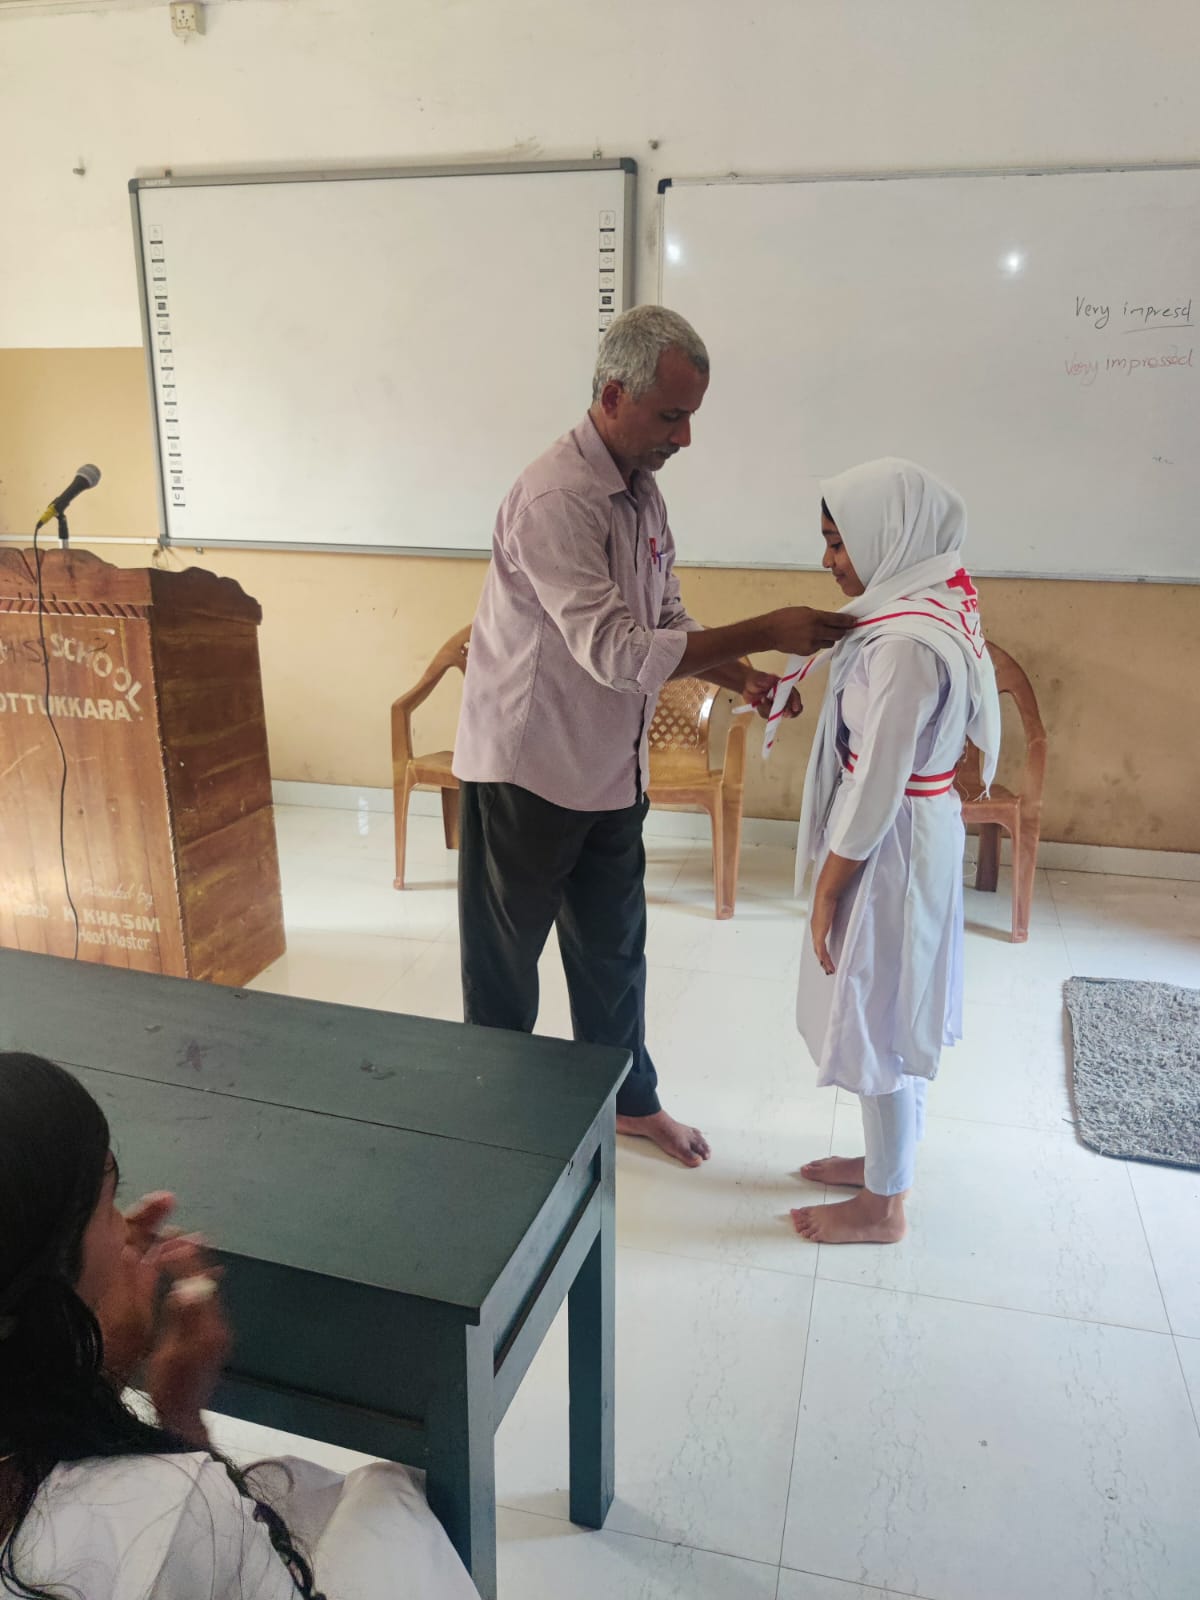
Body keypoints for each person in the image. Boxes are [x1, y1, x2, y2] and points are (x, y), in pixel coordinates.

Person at [453, 304, 853, 1167]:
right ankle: (494, 1131)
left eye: (691, 416)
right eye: (672, 415)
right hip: (528, 770)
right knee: (505, 969)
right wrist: (765, 627)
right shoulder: (557, 498)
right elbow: (620, 653)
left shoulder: (642, 492)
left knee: (614, 954)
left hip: (606, 768)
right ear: (612, 395)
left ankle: (632, 1104)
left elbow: (665, 619)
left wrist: (742, 677)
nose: (685, 437)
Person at [0, 1051, 479, 1600]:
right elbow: (231, 1558)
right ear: (52, 1270)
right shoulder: (169, 1510)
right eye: (107, 1204)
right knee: (390, 1493)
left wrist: (96, 1370)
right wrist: (180, 1418)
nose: (124, 1227)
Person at [786, 459, 1000, 1243]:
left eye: (839, 542)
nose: (828, 561)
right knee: (888, 1003)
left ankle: (885, 1208)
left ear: (889, 535)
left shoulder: (906, 643)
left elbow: (879, 779)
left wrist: (829, 888)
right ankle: (885, 1162)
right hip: (905, 831)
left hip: (890, 844)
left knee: (877, 1012)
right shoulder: (926, 606)